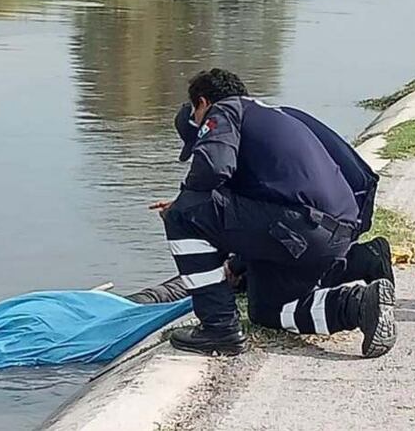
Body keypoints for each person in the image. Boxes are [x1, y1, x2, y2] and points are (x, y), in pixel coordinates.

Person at [153, 69, 396, 358]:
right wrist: (238, 267)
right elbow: (356, 174)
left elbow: (213, 169)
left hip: (301, 227)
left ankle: (218, 328)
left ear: (203, 103)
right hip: (335, 229)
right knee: (267, 310)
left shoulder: (224, 110)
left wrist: (185, 203)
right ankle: (359, 304)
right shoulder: (280, 115)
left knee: (183, 214)